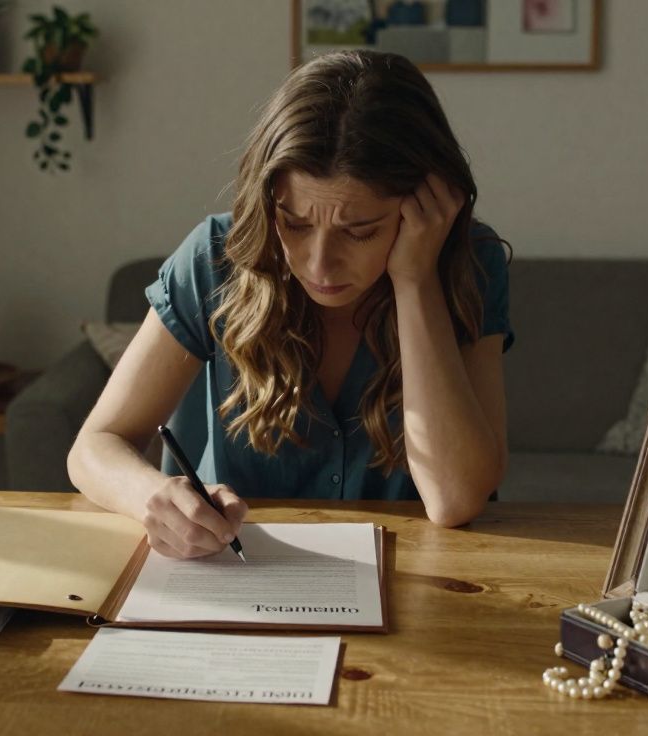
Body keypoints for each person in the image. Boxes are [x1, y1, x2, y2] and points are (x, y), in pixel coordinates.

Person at [67, 50, 513, 559]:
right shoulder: (216, 257)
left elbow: (454, 499)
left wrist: (415, 281)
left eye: (360, 232)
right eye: (295, 224)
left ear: (424, 209)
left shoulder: (468, 264)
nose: (320, 265)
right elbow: (94, 447)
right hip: (233, 583)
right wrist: (152, 495)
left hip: (417, 589)